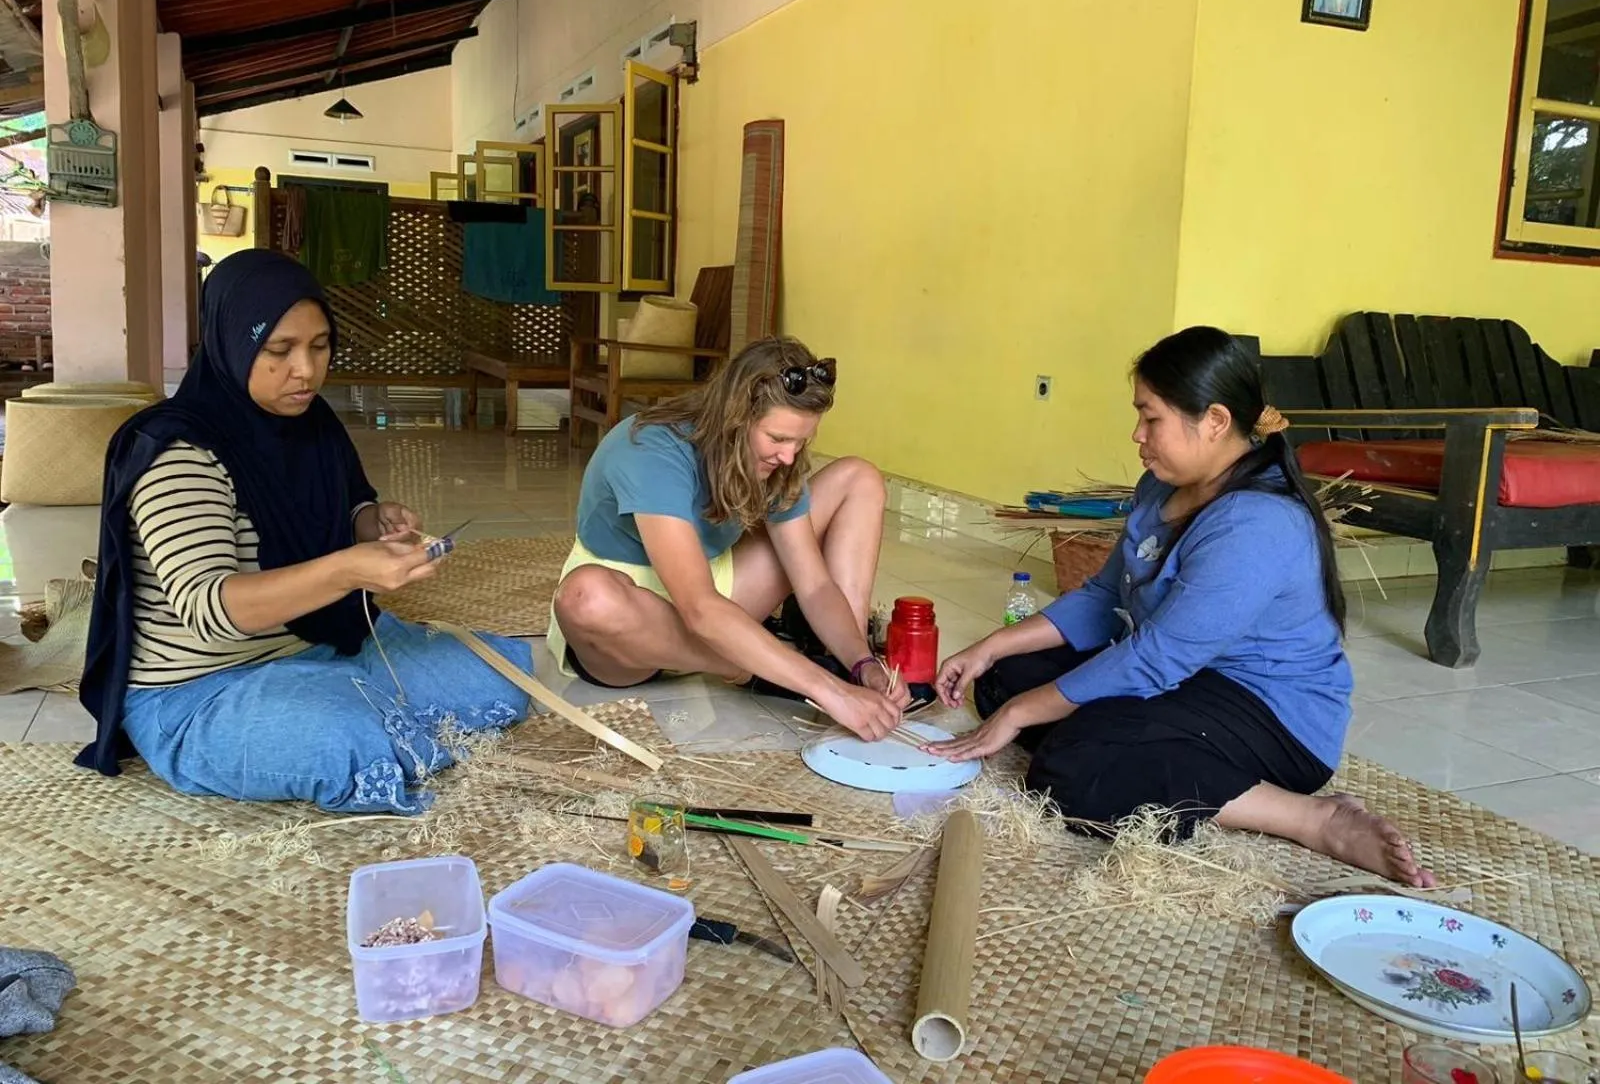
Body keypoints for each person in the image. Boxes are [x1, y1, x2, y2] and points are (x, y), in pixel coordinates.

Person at [929, 326, 1434, 887]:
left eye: (1151, 418)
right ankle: (1142, 749)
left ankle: (1312, 818)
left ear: (1215, 420)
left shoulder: (1257, 522)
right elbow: (1105, 597)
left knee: (1070, 769)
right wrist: (991, 646)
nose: (1137, 435)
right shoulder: (1160, 487)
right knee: (1005, 676)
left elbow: (1154, 659)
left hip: (1269, 715)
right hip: (1185, 679)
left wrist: (1023, 713)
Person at [76, 249, 530, 815]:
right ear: (232, 341)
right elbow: (212, 608)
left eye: (320, 345)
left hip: (323, 648)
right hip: (206, 689)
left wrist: (373, 523)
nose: (307, 370)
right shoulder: (178, 451)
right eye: (280, 350)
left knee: (502, 674)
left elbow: (340, 507)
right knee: (345, 739)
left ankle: (375, 721)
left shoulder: (310, 421)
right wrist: (346, 571)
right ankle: (366, 726)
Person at [548, 336, 906, 741]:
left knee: (859, 477)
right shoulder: (651, 449)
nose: (789, 457)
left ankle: (837, 667)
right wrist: (825, 690)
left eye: (801, 441)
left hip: (722, 597)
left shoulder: (778, 464)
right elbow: (699, 607)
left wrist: (863, 663)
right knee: (585, 598)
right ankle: (748, 668)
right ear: (734, 417)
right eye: (777, 439)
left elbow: (815, 585)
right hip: (633, 630)